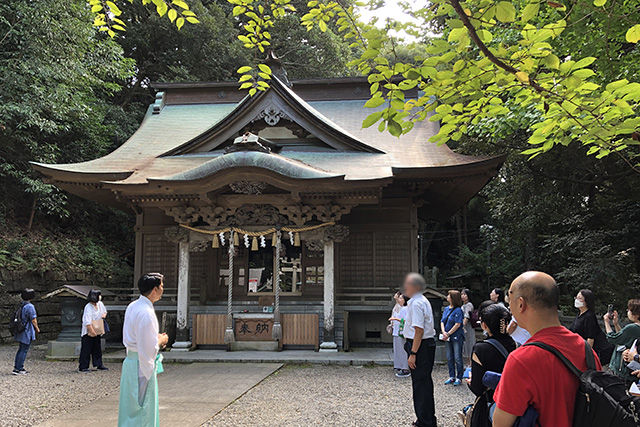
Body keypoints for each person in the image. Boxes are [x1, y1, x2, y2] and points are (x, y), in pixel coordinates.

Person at [492, 271, 601, 427]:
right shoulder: (585, 349)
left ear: (521, 304)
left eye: (510, 300)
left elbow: (500, 424)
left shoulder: (521, 360)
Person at [118, 273, 169, 427]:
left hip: (131, 362)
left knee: (130, 408)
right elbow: (148, 349)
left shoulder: (133, 306)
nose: (162, 289)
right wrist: (160, 340)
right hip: (141, 365)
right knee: (143, 409)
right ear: (154, 289)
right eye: (161, 286)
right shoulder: (146, 313)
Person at [465, 303, 516, 427]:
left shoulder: (481, 348)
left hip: (490, 403)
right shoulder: (515, 344)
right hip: (512, 402)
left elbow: (477, 388)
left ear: (484, 325)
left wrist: (470, 381)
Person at [402, 272, 437, 427]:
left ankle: (424, 422)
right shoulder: (422, 300)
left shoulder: (416, 303)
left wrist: (413, 353)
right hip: (425, 344)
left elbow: (419, 330)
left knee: (421, 385)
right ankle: (427, 418)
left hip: (420, 346)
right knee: (424, 383)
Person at [569, 289, 612, 365]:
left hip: (595, 351)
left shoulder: (589, 316)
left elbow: (590, 339)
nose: (576, 300)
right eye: (576, 298)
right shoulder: (579, 314)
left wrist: (586, 357)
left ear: (587, 301)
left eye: (580, 298)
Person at [604, 299, 640, 384]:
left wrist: (606, 322)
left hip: (622, 369)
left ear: (636, 314)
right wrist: (616, 324)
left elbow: (613, 338)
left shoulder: (632, 327)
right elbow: (623, 340)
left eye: (629, 310)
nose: (628, 312)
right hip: (633, 369)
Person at [79, 289, 108, 372]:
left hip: (98, 328)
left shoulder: (100, 304)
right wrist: (91, 331)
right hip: (88, 331)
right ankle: (83, 366)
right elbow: (87, 321)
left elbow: (104, 312)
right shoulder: (88, 307)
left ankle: (99, 364)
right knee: (86, 349)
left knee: (97, 349)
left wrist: (103, 315)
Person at [13, 288, 39, 375]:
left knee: (21, 348)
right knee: (24, 349)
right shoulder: (30, 306)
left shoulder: (22, 305)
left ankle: (17, 367)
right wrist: (37, 328)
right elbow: (33, 319)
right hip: (26, 330)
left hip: (20, 329)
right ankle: (19, 368)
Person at [441, 290, 465, 385]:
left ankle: (459, 377)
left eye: (449, 295)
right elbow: (442, 321)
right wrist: (444, 332)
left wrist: (448, 333)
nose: (447, 296)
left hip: (456, 336)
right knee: (449, 357)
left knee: (457, 357)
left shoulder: (458, 310)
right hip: (447, 336)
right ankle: (451, 376)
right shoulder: (446, 309)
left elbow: (458, 324)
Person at [389, 292, 411, 378]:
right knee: (398, 349)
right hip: (397, 331)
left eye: (401, 298)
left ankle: (405, 368)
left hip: (402, 332)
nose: (399, 299)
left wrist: (395, 319)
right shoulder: (400, 308)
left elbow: (406, 320)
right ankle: (399, 365)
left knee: (403, 350)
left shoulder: (406, 309)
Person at [461, 289, 476, 367]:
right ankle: (467, 363)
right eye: (462, 294)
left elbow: (466, 316)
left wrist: (462, 326)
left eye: (465, 294)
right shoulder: (463, 305)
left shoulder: (469, 305)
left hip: (467, 327)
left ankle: (470, 364)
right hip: (464, 327)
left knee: (469, 344)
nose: (463, 296)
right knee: (465, 344)